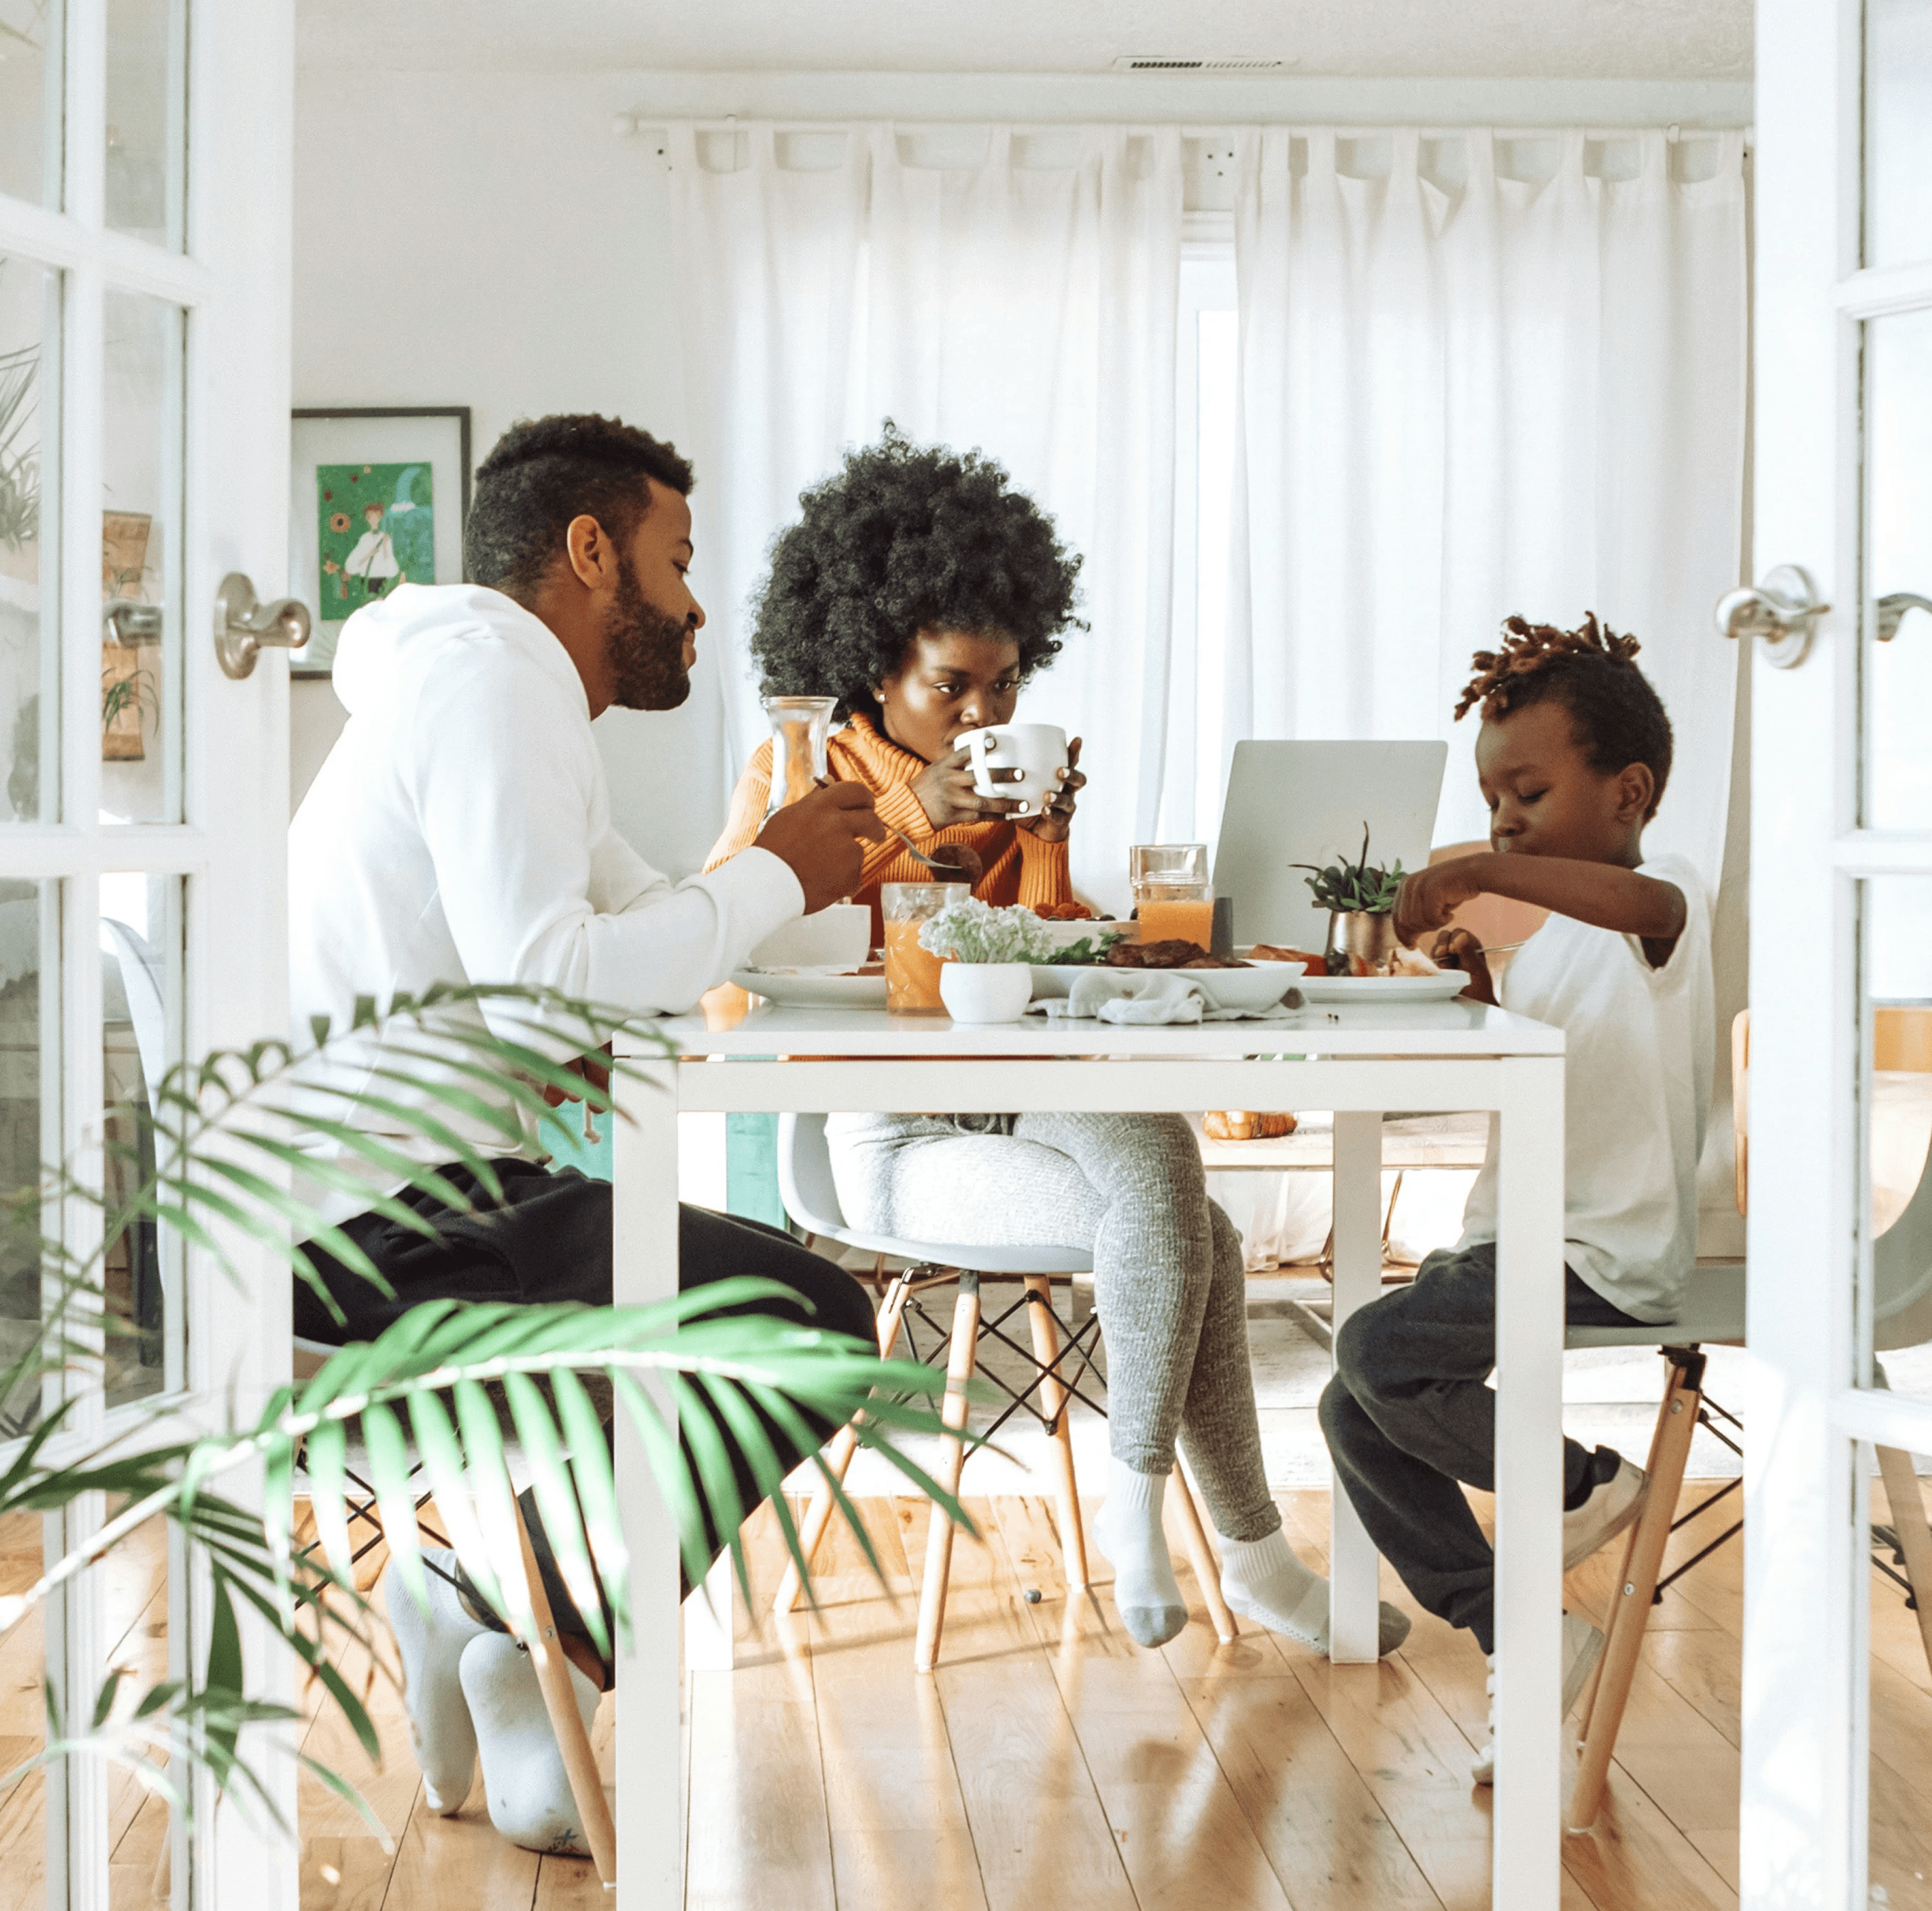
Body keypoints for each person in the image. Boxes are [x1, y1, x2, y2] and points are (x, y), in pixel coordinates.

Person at [708, 429, 1411, 1660]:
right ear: (874, 668)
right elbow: (728, 963)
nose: (985, 713)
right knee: (1196, 1225)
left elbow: (1037, 971)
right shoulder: (801, 770)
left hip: (1023, 1095)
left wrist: (1042, 849)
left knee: (1161, 1170)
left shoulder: (1004, 783)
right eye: (951, 687)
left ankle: (1153, 1519)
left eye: (1006, 683)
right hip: (892, 1132)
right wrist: (906, 815)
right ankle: (1234, 1550)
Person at [288, 413, 885, 1853]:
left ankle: (491, 1612)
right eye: (678, 562)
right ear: (590, 550)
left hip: (401, 1194)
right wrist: (771, 874)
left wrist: (762, 880)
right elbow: (561, 977)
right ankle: (505, 1629)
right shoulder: (497, 688)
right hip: (357, 1235)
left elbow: (623, 930)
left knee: (764, 1309)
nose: (691, 607)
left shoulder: (488, 687)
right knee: (809, 1321)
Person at [1319, 612, 1714, 1785]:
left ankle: (1587, 1484)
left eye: (1528, 795)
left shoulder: (1662, 898)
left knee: (1378, 1355)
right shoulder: (1548, 936)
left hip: (1602, 1246)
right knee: (1351, 1409)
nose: (1501, 822)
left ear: (1629, 793)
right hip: (1512, 1235)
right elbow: (1538, 1059)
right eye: (1493, 802)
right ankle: (1521, 1630)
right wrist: (1480, 977)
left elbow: (1641, 917)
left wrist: (1486, 872)